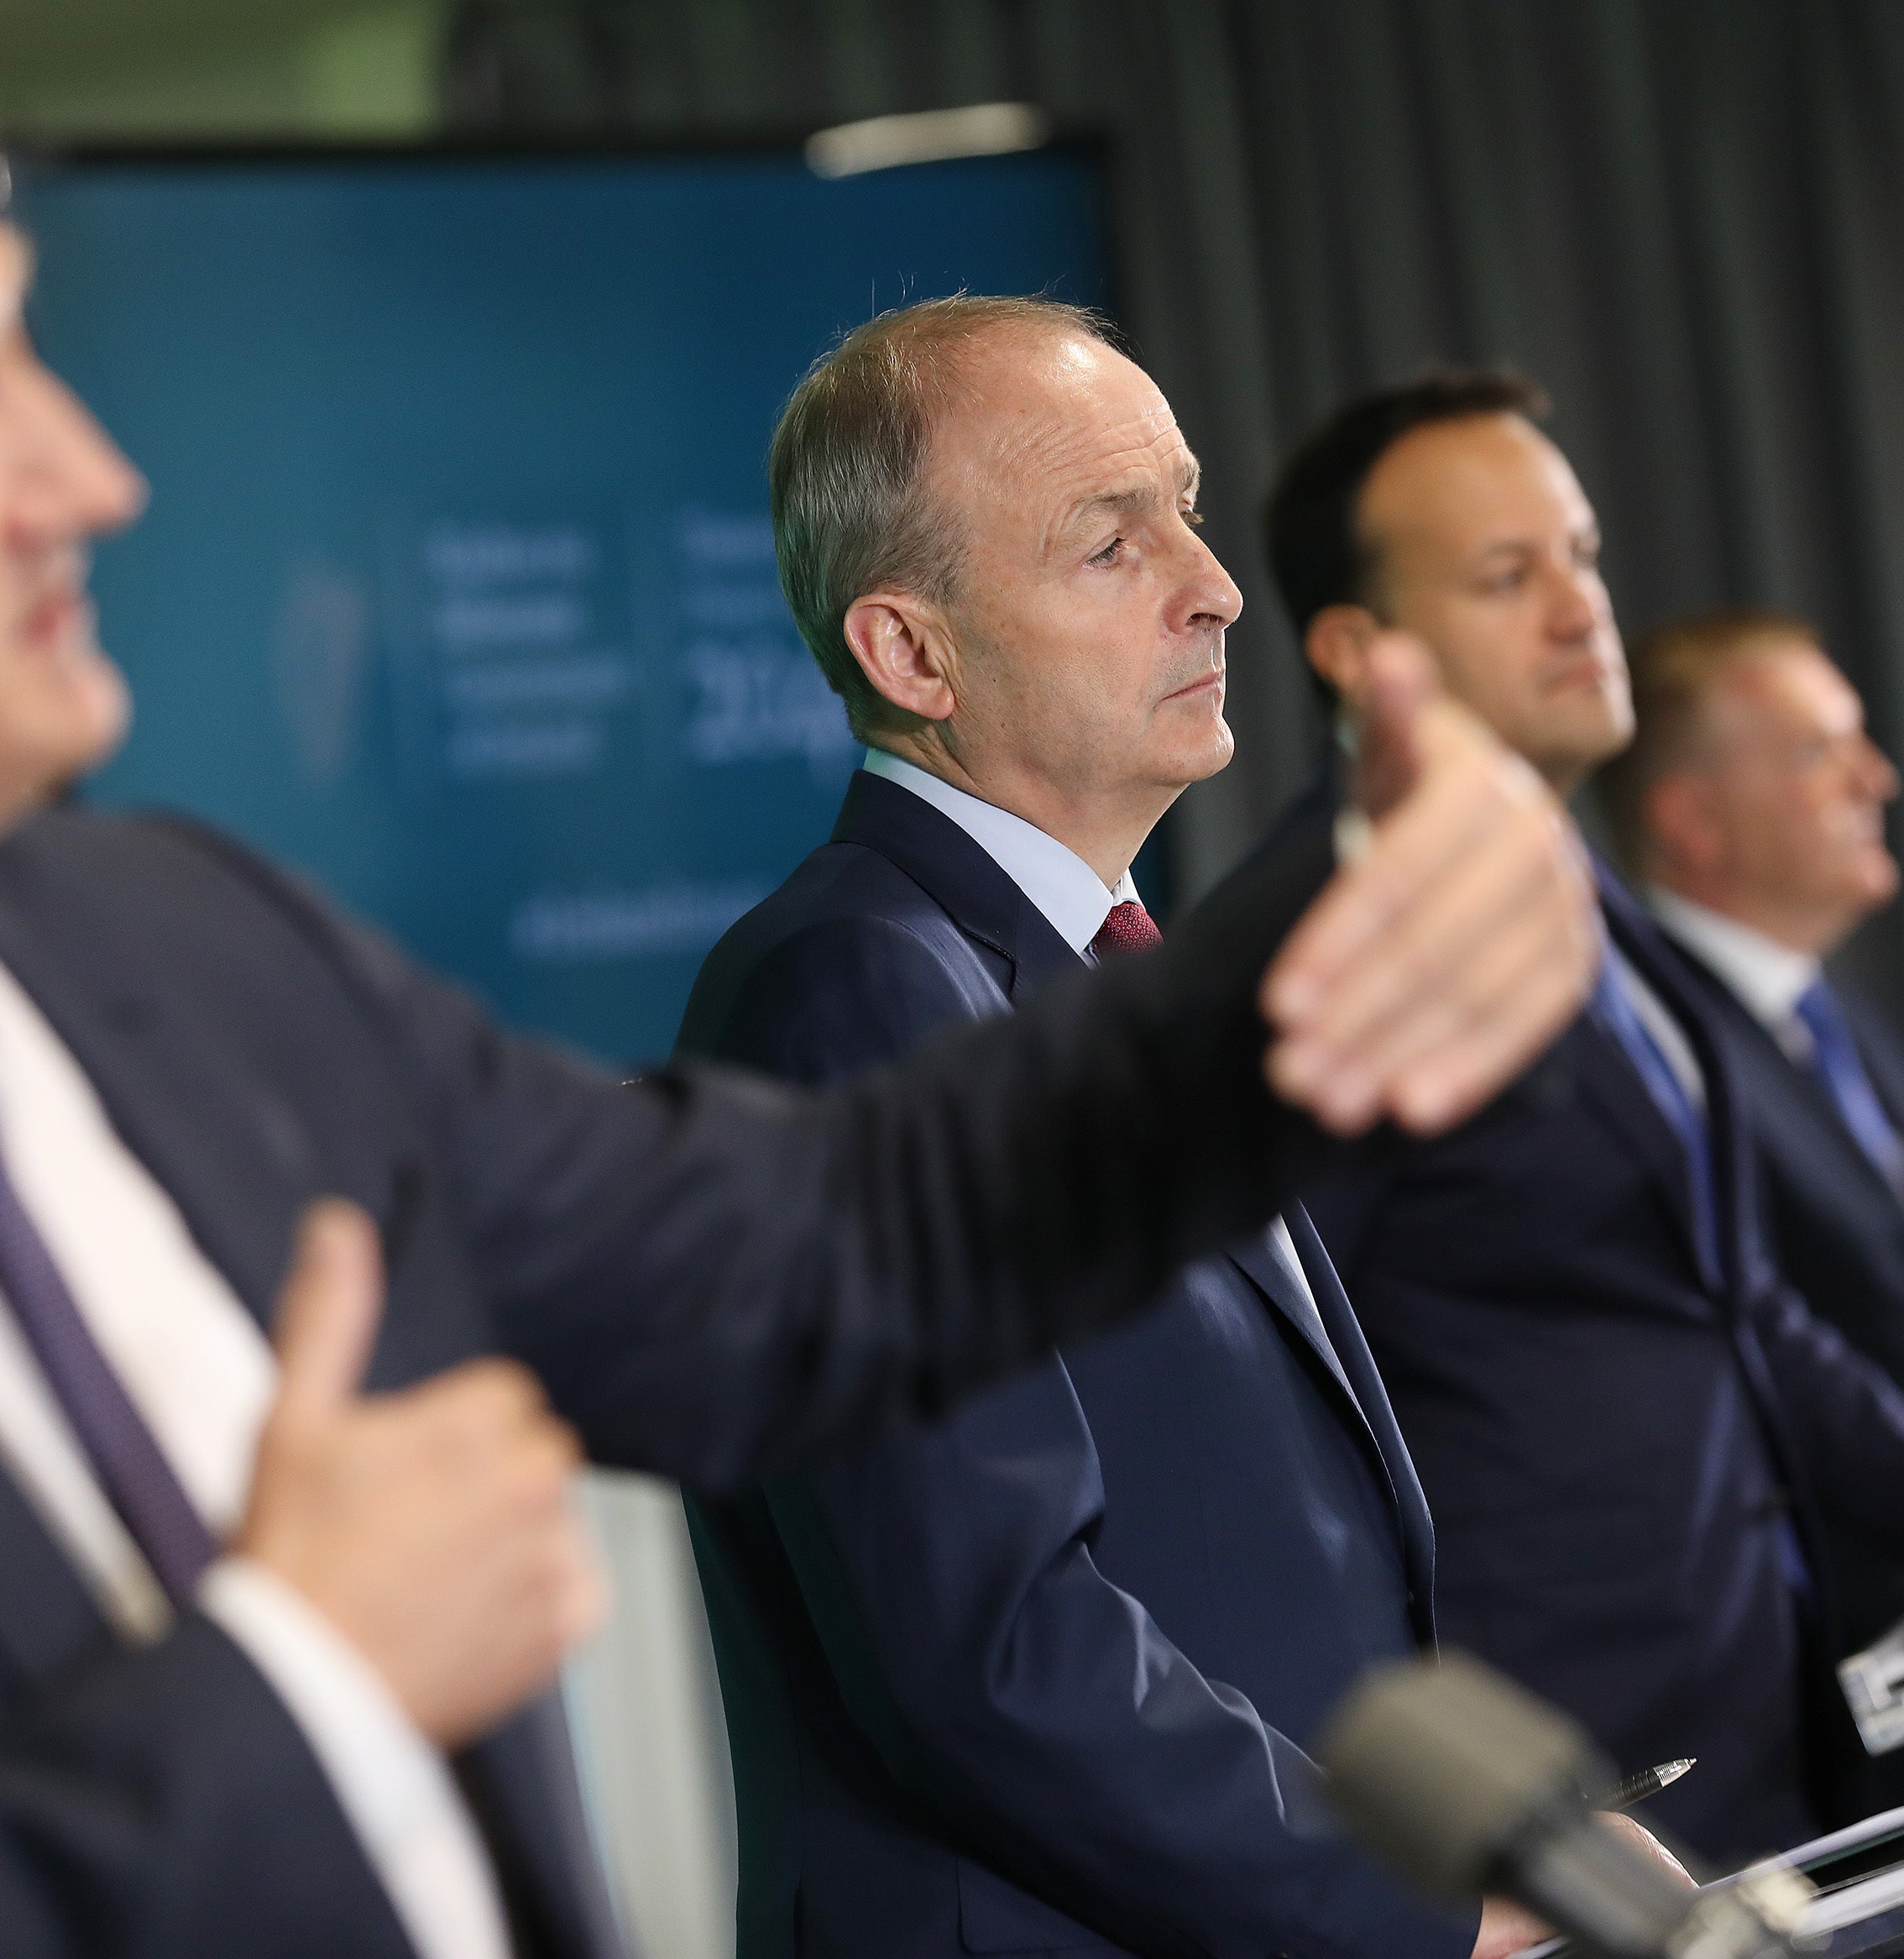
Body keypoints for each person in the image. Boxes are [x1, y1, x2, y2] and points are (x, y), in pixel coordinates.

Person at [0, 8, 1605, 1956]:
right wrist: (294, 1695)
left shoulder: (168, 936)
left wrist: (1295, 1001)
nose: (90, 481)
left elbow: (812, 1246)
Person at [1255, 369, 1904, 1870]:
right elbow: (1274, 1422)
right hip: (1555, 1797)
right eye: (1507, 577)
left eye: (1579, 555)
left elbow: (1738, 1317)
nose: (1581, 608)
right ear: (1353, 649)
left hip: (1756, 1753)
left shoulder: (1598, 913)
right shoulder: (1325, 939)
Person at [679, 297, 1542, 1959]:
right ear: (911, 653)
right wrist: (1416, 1908)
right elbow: (984, 1635)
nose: (1212, 585)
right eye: (1107, 542)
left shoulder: (1117, 968)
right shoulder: (851, 989)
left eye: (1189, 507)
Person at [1595, 611, 1904, 1895]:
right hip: (1805, 1726)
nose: (1878, 778)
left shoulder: (1833, 1021)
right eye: (1822, 753)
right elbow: (1760, 1372)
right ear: (1693, 819)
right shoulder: (1652, 1047)